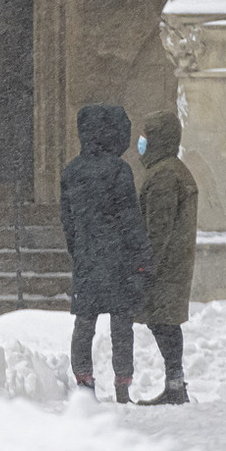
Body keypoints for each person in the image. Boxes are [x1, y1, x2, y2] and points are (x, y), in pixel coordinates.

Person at [60, 104, 154, 404]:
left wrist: (80, 249)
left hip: (88, 258)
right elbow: (130, 218)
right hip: (118, 258)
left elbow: (68, 221)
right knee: (121, 323)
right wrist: (141, 256)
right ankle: (122, 385)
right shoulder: (118, 170)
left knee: (84, 322)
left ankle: (84, 381)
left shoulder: (71, 171)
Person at [134, 111, 198, 406]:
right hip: (172, 262)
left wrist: (145, 265)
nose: (141, 140)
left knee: (164, 321)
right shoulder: (170, 170)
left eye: (147, 134)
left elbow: (157, 229)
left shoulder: (163, 176)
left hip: (165, 266)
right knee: (164, 321)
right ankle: (175, 383)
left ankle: (175, 385)